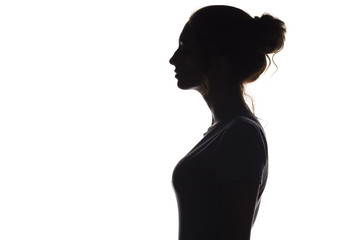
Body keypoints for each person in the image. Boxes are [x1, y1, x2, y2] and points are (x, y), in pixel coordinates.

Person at [169, 5, 286, 240]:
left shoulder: (241, 133)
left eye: (185, 48)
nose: (173, 59)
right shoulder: (225, 132)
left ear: (220, 62)